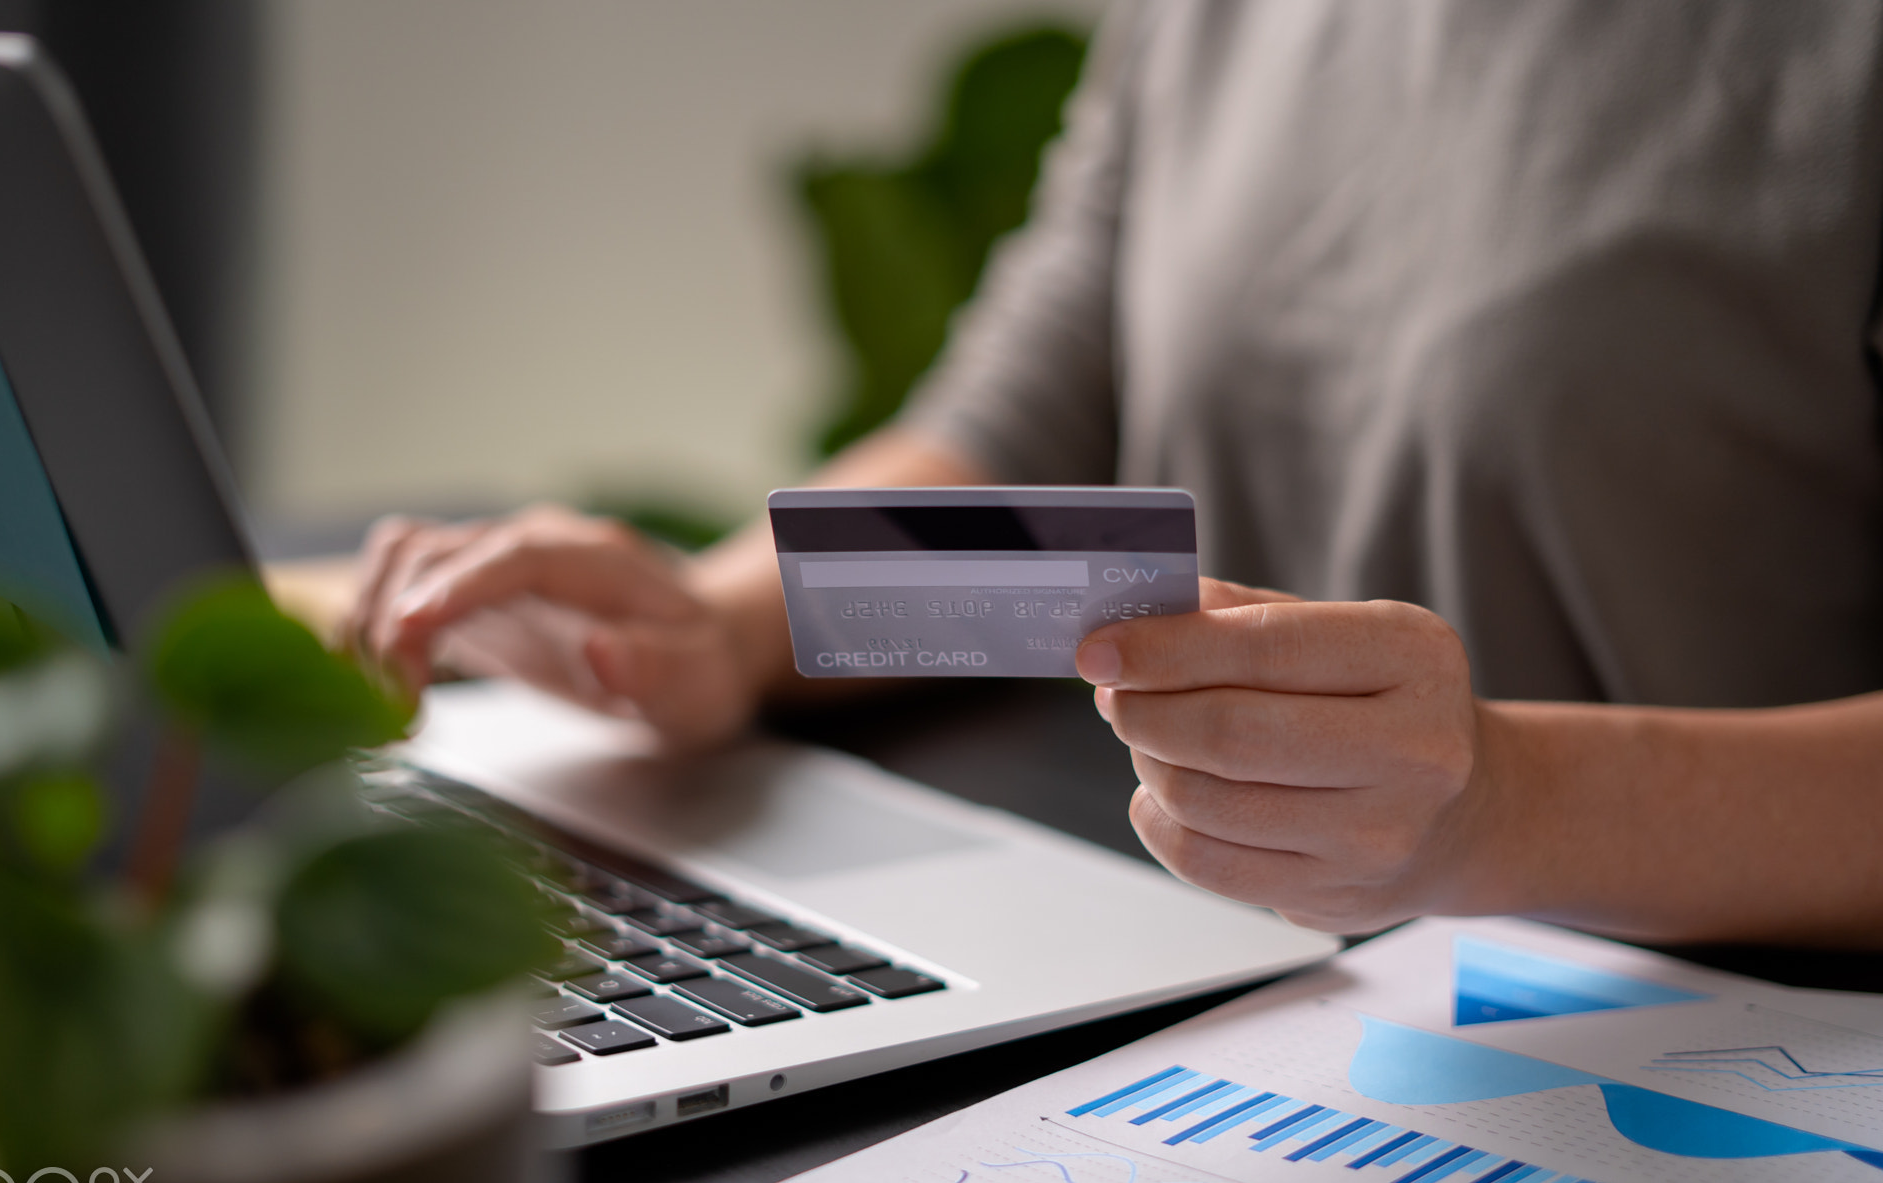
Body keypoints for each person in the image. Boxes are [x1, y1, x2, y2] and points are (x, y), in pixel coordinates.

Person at [348, 1, 1883, 951]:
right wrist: (716, 622)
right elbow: (1021, 434)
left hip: (1715, 1070)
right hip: (1247, 1008)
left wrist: (1505, 804)